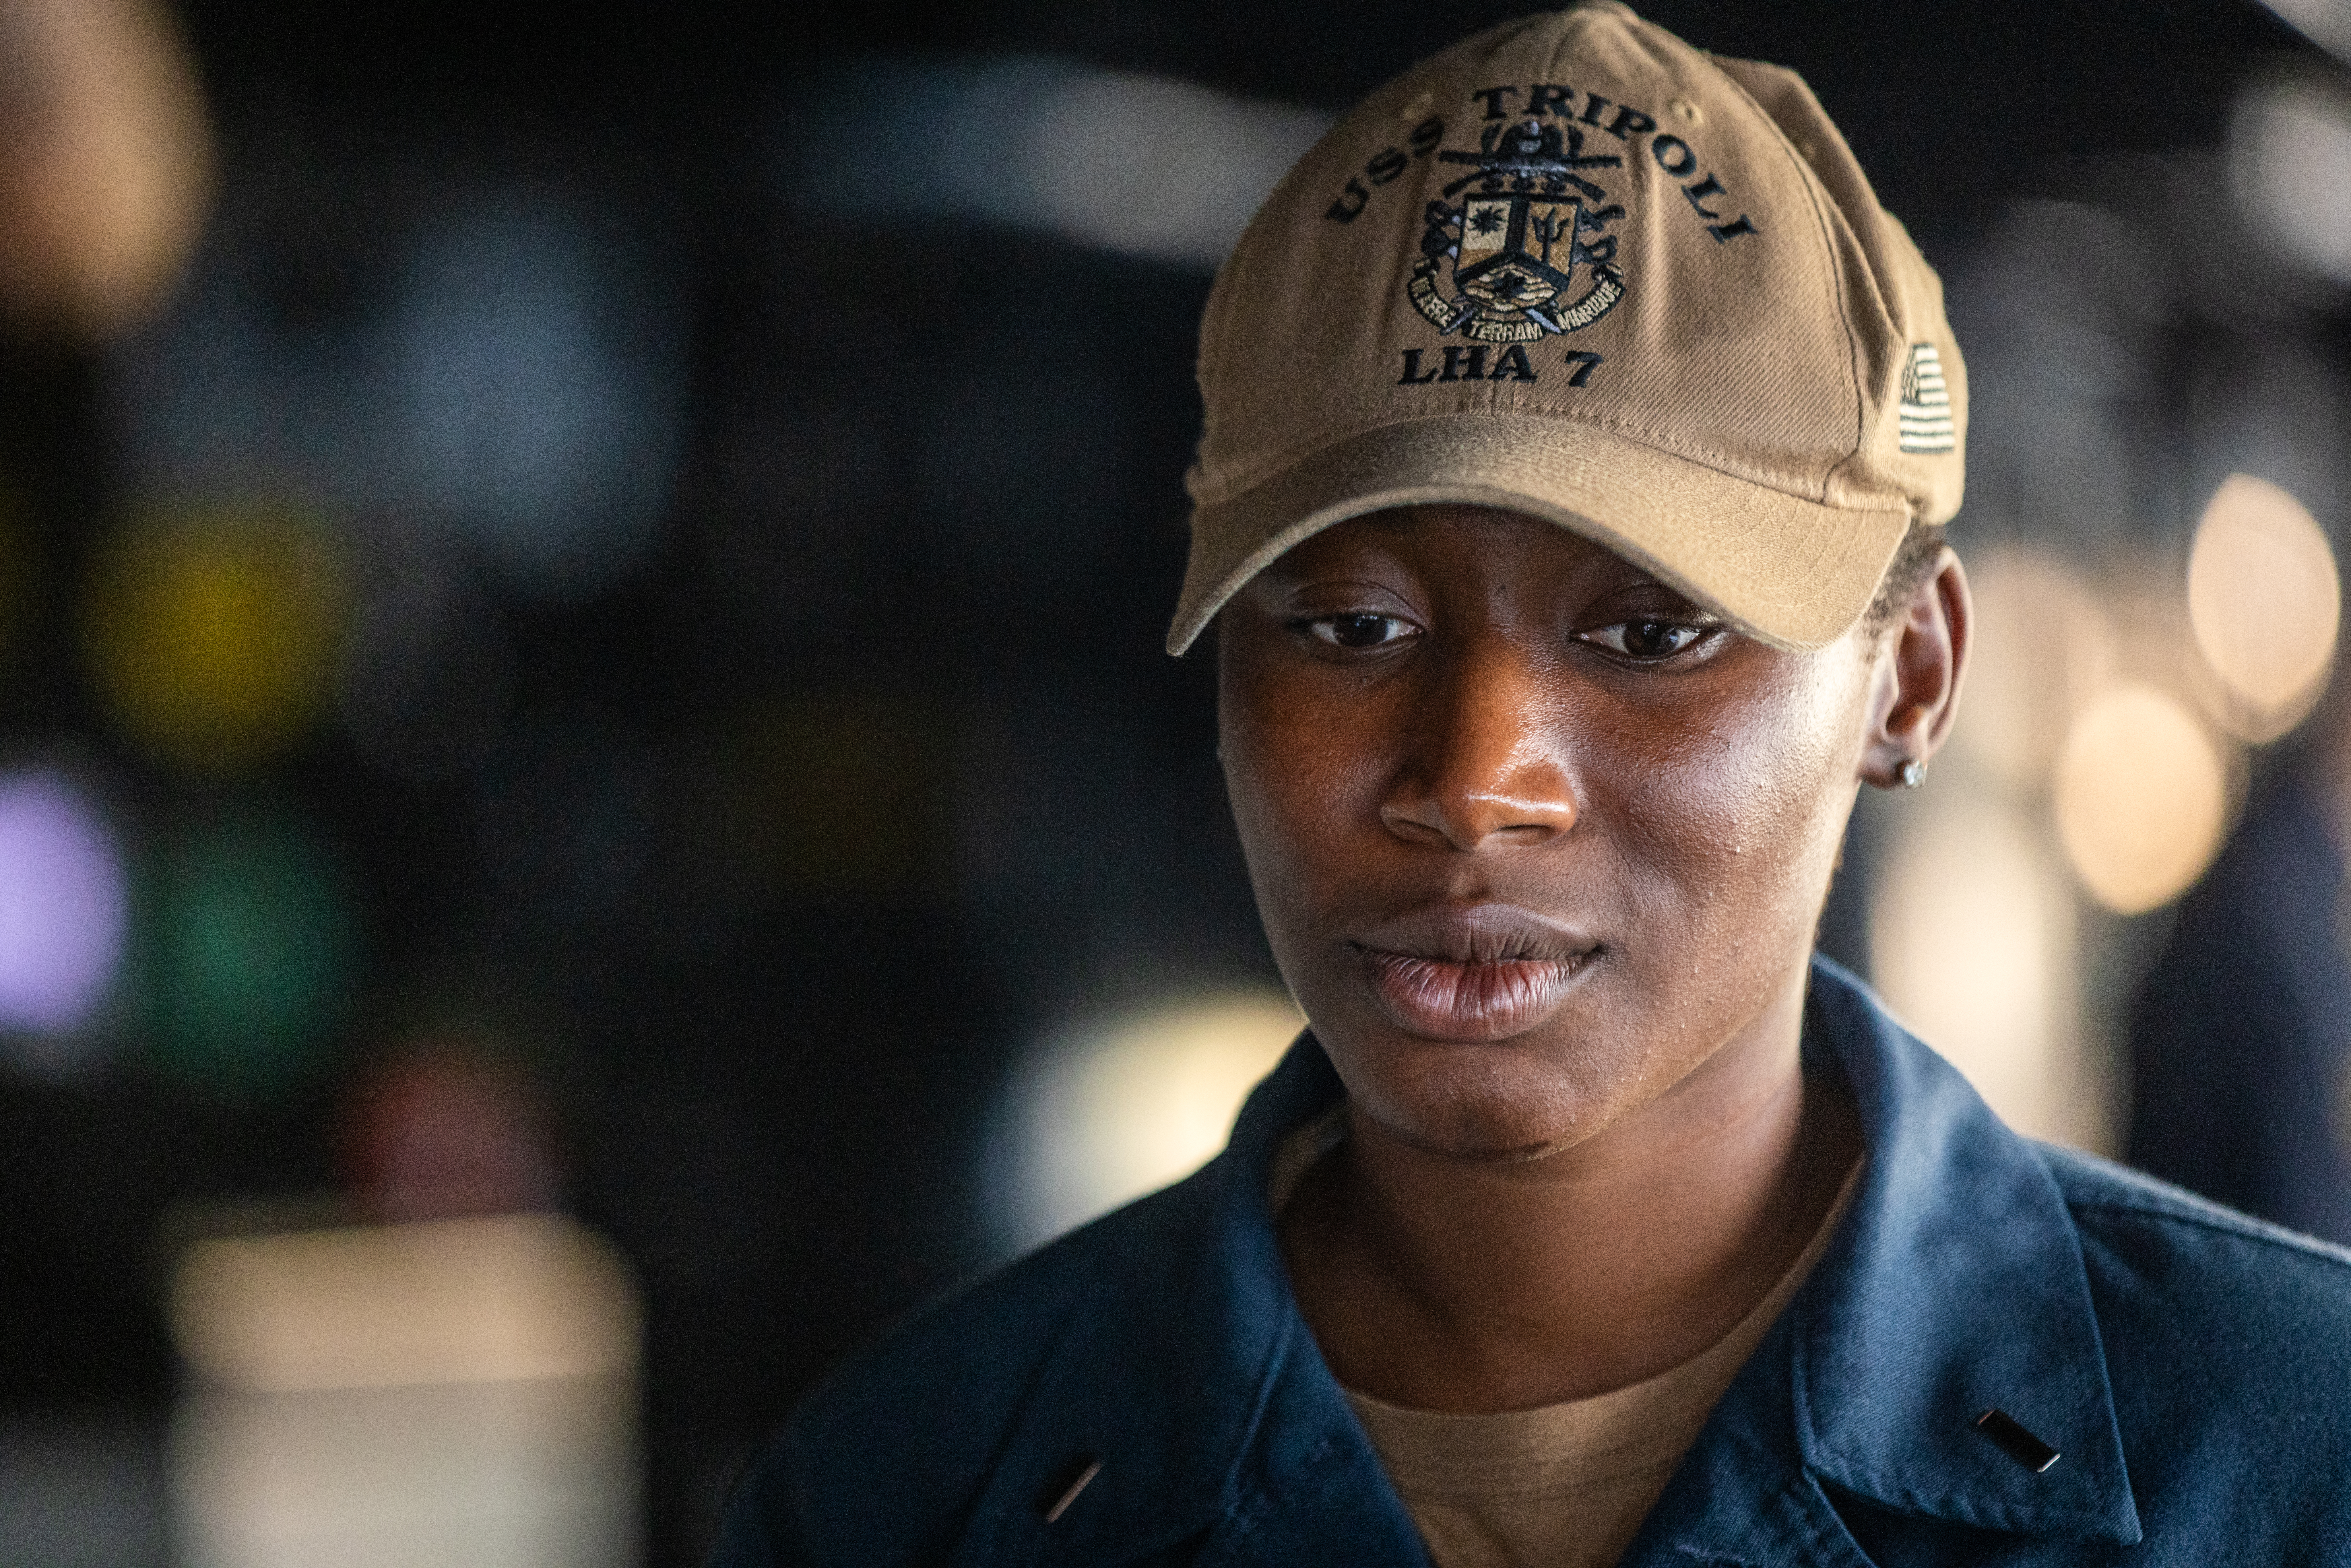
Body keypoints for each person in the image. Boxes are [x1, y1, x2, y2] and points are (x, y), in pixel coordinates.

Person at [713, 7, 2351, 1563]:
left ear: (1908, 675)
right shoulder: (901, 1497)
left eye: (1651, 630)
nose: (1476, 782)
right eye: (1354, 624)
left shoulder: (2293, 1463)